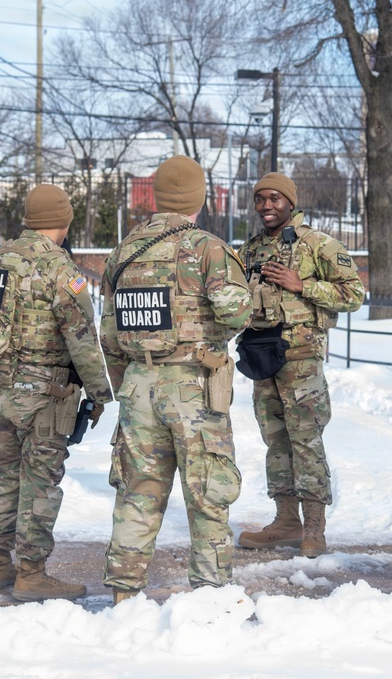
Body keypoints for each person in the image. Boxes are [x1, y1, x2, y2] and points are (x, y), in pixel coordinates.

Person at [100, 155, 251, 605]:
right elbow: (235, 312)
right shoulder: (207, 248)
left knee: (137, 491)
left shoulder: (124, 252)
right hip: (192, 388)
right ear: (199, 198)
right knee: (207, 491)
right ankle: (209, 593)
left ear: (157, 196)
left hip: (138, 385)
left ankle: (124, 592)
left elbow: (109, 331)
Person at [0, 184, 113, 602]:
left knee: (2, 477)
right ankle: (31, 573)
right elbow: (81, 337)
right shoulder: (60, 269)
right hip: (45, 393)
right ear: (63, 222)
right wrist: (99, 393)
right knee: (41, 483)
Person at [235, 172, 364, 558]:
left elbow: (354, 293)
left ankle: (314, 529)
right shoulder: (250, 249)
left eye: (275, 198)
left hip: (301, 359)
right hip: (261, 356)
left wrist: (302, 285)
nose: (267, 206)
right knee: (276, 440)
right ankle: (285, 522)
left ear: (290, 202)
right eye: (260, 199)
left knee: (306, 441)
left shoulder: (318, 244)